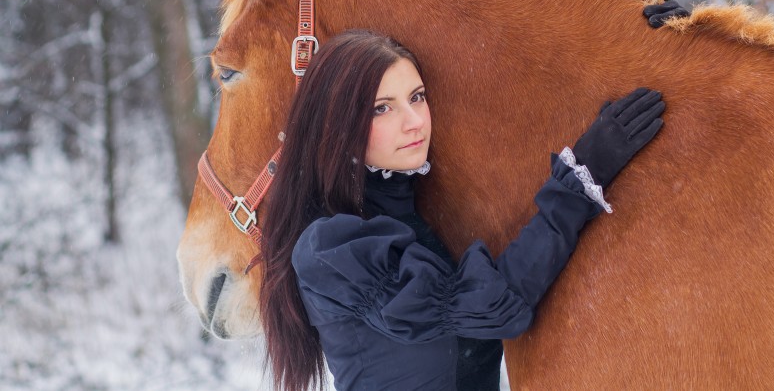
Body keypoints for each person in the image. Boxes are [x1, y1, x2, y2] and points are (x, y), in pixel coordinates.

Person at [259, 26, 668, 390]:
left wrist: (634, 35)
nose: (414, 121)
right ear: (336, 122)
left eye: (417, 98)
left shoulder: (416, 215)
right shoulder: (331, 247)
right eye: (382, 108)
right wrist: (580, 179)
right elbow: (490, 305)